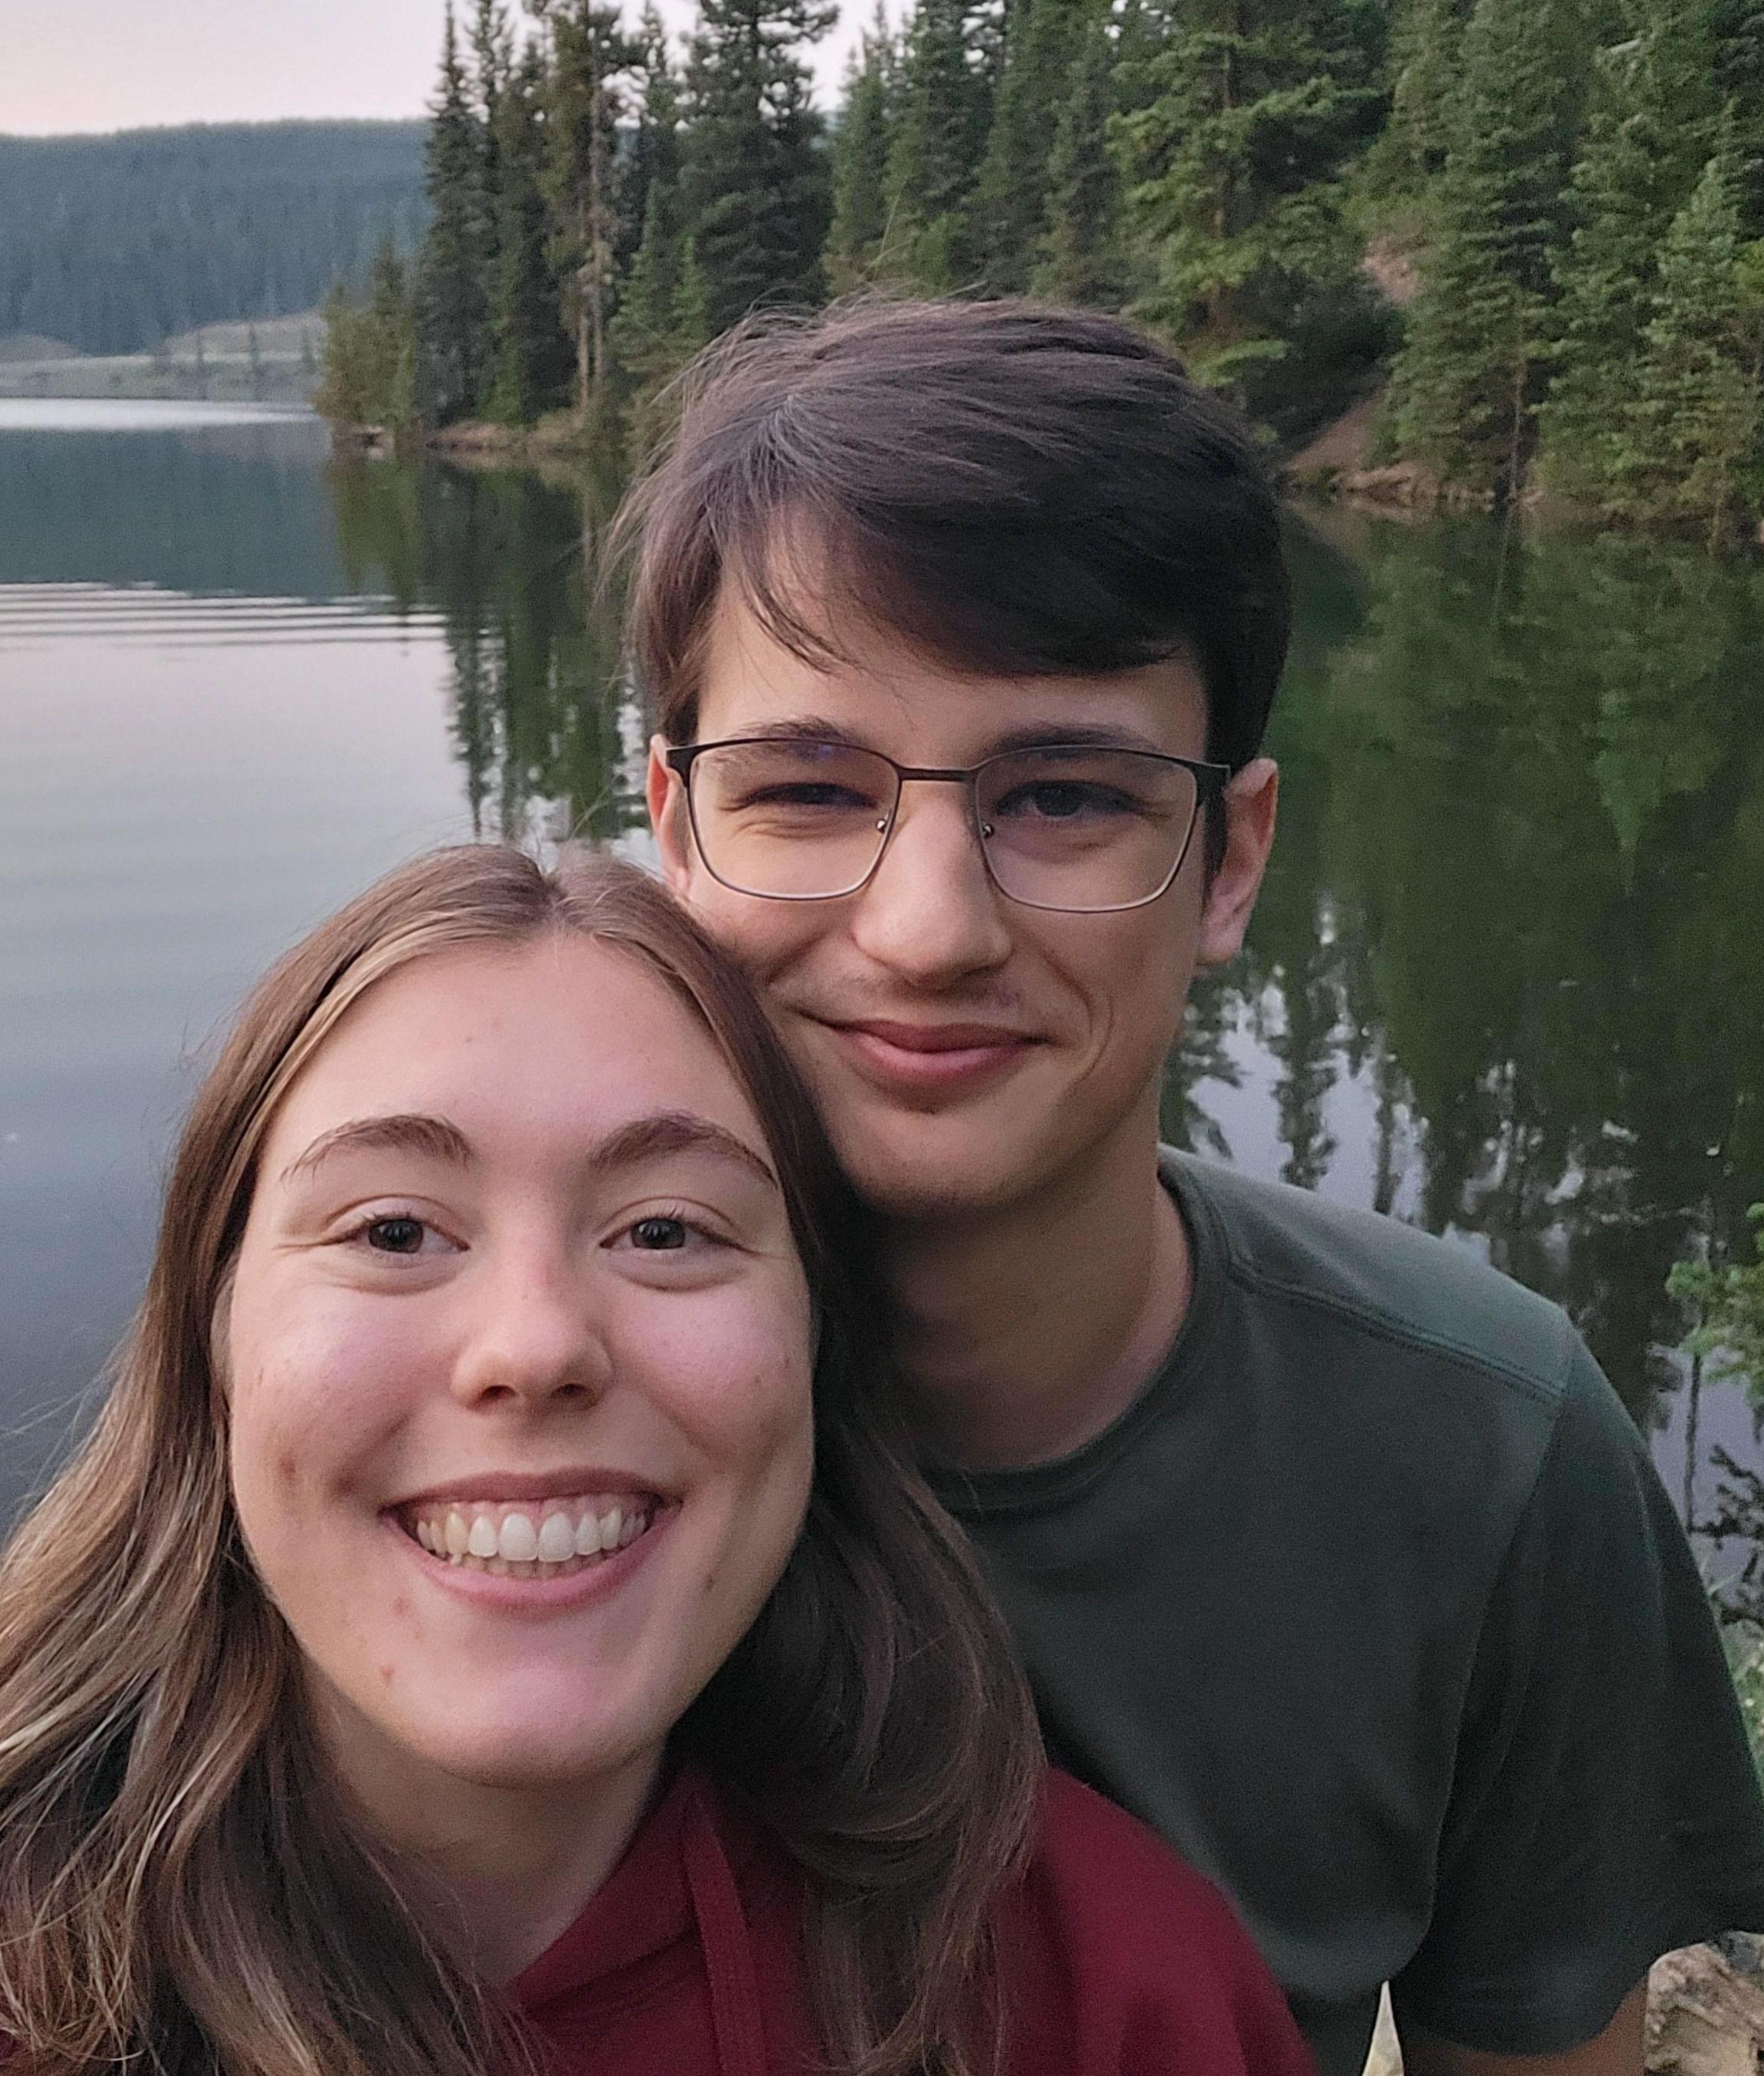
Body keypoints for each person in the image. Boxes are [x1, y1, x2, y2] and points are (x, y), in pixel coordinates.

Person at [622, 296, 1764, 2076]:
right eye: (809, 790)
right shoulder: (478, 1419)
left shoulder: (1478, 1451)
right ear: (676, 833)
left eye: (1063, 794)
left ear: (1228, 860)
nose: (926, 929)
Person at [0, 846, 1315, 2076]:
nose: (533, 1345)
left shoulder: (1094, 1992)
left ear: (814, 1350)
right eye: (395, 1229)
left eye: (666, 1228)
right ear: (212, 1344)